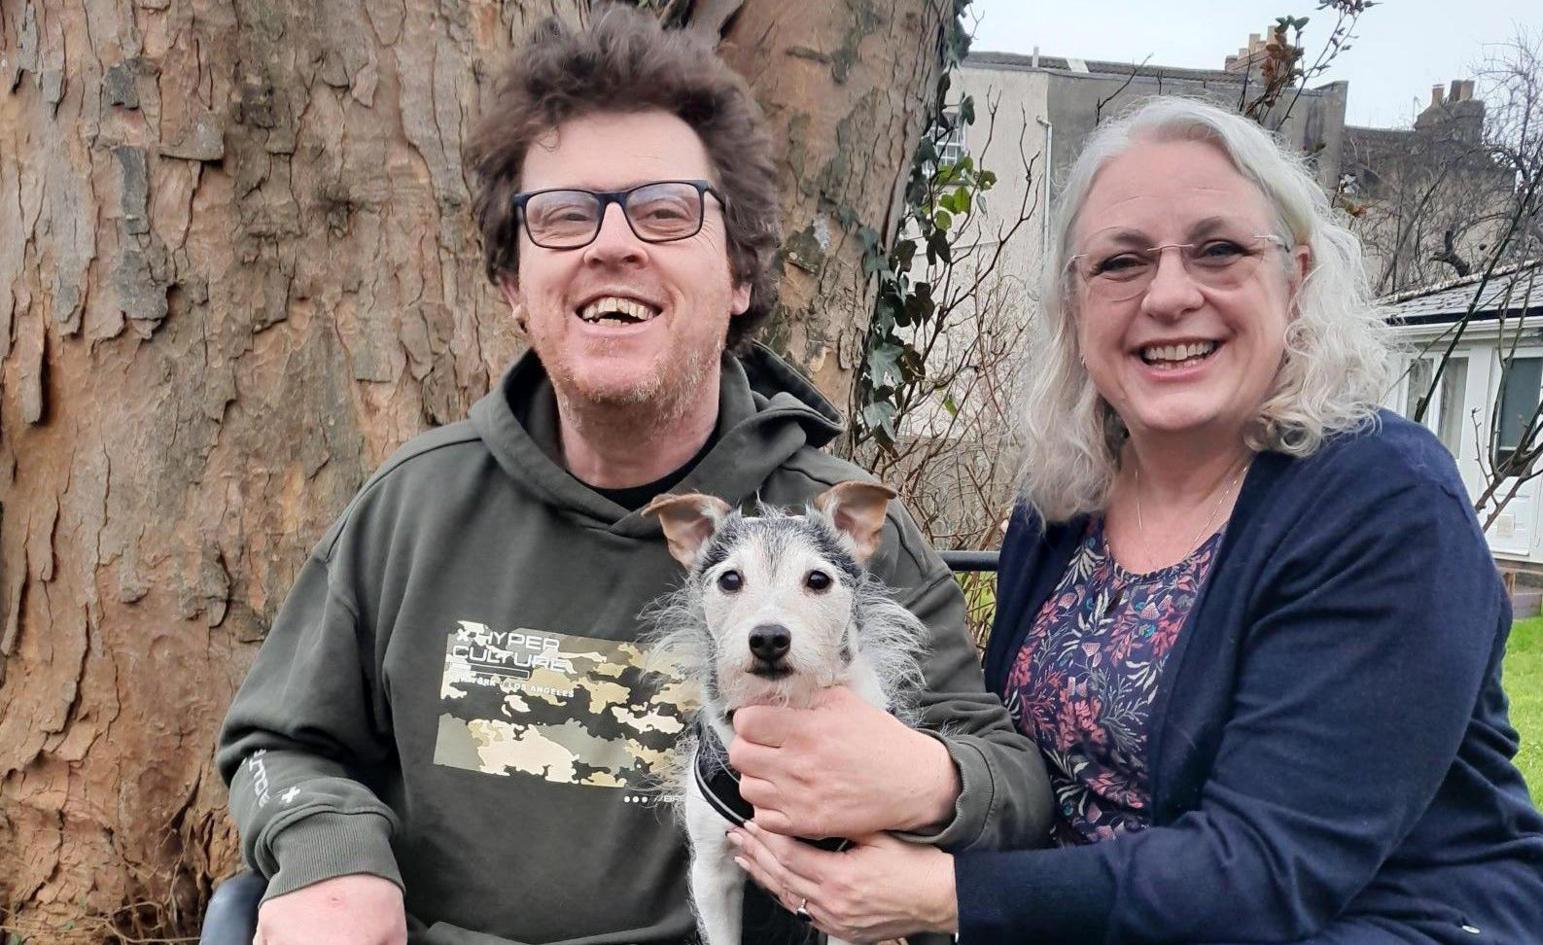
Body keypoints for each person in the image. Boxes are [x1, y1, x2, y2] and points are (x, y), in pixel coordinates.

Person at [214, 10, 1051, 945]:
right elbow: (274, 744)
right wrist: (331, 850)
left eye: (664, 210)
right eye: (564, 214)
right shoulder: (409, 512)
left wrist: (927, 779)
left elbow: (1012, 782)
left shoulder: (842, 544)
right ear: (512, 281)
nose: (612, 244)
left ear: (739, 273)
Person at [728, 96, 1543, 944]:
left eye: (1218, 250)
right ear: (1074, 302)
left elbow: (1266, 871)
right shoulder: (1064, 503)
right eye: (1122, 263)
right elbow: (1023, 772)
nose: (1170, 296)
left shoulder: (1385, 505)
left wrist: (947, 895)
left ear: (1297, 276)